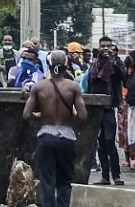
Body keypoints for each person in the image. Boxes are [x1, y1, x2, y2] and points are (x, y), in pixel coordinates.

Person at [23, 50, 87, 207]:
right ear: (66, 65)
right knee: (65, 180)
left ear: (49, 65)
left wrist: (41, 115)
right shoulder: (73, 87)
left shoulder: (39, 87)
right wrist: (70, 113)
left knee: (47, 181)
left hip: (46, 136)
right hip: (66, 137)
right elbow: (82, 116)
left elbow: (26, 114)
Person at [89, 36, 127, 186]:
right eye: (103, 46)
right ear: (99, 47)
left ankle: (116, 176)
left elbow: (123, 76)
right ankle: (105, 177)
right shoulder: (94, 64)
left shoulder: (116, 63)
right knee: (100, 143)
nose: (105, 48)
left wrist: (113, 61)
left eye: (108, 46)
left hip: (109, 108)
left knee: (110, 142)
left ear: (111, 48)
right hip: (96, 109)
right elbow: (90, 83)